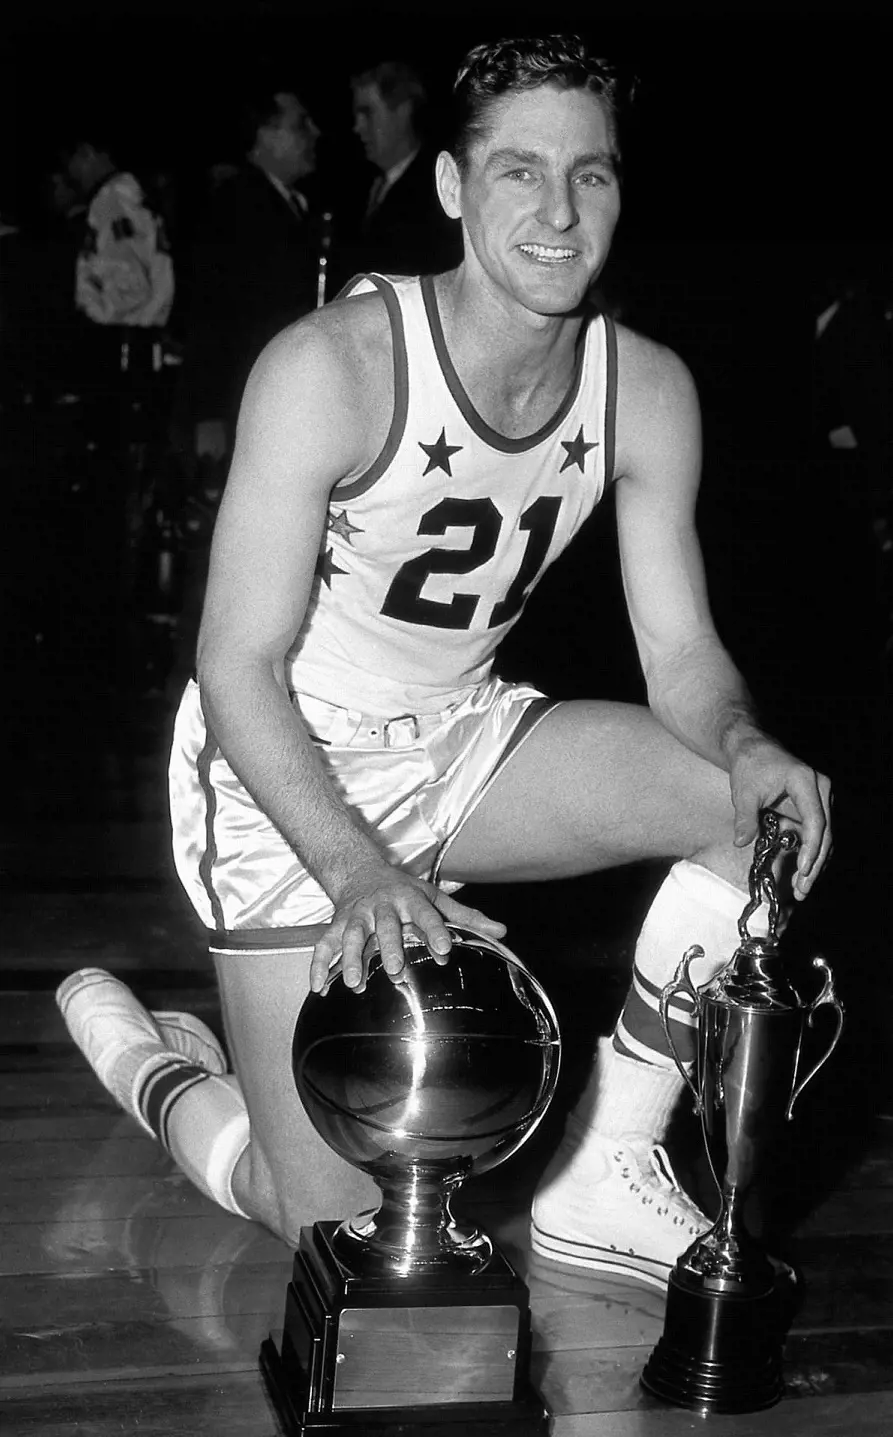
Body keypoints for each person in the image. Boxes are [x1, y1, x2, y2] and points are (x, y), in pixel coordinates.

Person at [57, 34, 832, 1290]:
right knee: (321, 1218)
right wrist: (359, 867)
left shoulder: (650, 389)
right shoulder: (330, 367)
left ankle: (605, 1169)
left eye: (591, 174)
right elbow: (235, 664)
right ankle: (158, 1070)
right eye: (517, 170)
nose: (556, 208)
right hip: (280, 772)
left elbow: (680, 652)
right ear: (451, 189)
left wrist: (744, 740)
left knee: (750, 815)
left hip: (460, 734)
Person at [176, 85, 323, 467]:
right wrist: (208, 412)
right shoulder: (233, 205)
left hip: (280, 395)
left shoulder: (293, 204)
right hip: (245, 400)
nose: (315, 133)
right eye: (300, 125)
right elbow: (210, 307)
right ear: (265, 135)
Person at [335, 59, 461, 284]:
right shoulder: (360, 185)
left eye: (367, 113)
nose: (357, 126)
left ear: (403, 110)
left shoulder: (436, 191)